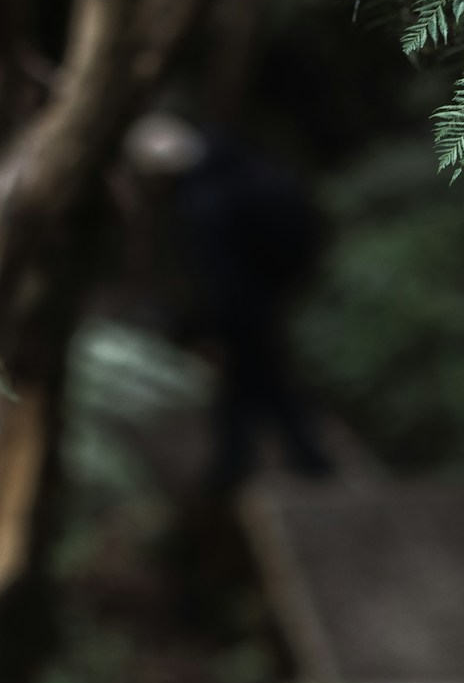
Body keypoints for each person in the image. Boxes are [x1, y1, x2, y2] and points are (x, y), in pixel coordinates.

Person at [125, 111, 332, 488]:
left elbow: (221, 276)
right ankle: (259, 462)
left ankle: (272, 463)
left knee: (258, 376)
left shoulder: (202, 200)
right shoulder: (230, 160)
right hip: (270, 287)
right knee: (256, 377)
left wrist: (203, 325)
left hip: (245, 301)